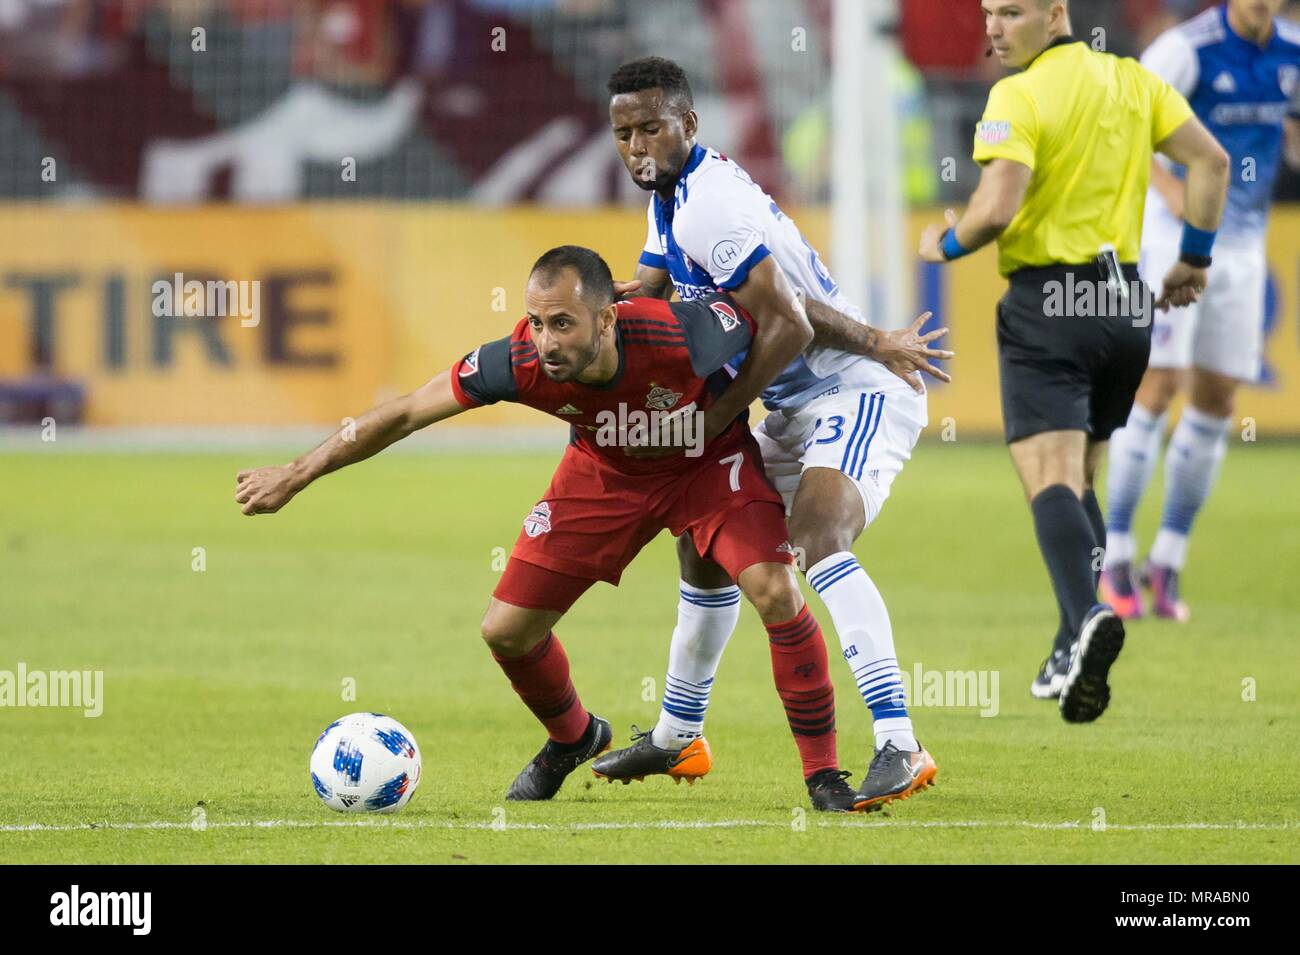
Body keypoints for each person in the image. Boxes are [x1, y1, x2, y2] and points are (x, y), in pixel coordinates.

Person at [235, 245, 874, 812]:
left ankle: (823, 778)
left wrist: (859, 354)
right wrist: (297, 473)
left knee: (774, 589)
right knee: (506, 632)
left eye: (562, 323)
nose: (545, 340)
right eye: (537, 322)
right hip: (603, 476)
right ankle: (574, 737)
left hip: (707, 463)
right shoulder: (517, 362)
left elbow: (787, 314)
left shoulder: (684, 333)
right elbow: (403, 413)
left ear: (606, 318)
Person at [593, 56, 951, 810]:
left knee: (819, 537)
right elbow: (655, 289)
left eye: (651, 128)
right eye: (624, 133)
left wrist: (719, 420)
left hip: (850, 391)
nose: (637, 147)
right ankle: (678, 733)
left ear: (689, 124)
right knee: (704, 545)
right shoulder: (671, 196)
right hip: (792, 404)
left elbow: (789, 318)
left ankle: (899, 741)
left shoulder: (707, 207)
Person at [918, 0, 1228, 720]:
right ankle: (1069, 643)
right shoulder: (1132, 81)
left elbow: (996, 208)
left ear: (1055, 13)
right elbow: (1210, 161)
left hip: (1047, 301)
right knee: (1079, 474)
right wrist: (1195, 259)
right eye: (989, 13)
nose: (994, 26)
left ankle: (1086, 617)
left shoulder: (1015, 95)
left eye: (1012, 12)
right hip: (1124, 306)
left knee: (1045, 476)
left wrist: (947, 245)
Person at [1102, 0, 1300, 621]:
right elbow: (1123, 131)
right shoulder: (1185, 49)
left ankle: (1167, 559)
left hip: (1242, 248)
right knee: (1155, 388)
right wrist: (1174, 198)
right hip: (1167, 240)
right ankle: (1115, 557)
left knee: (1217, 400)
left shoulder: (1291, 51)